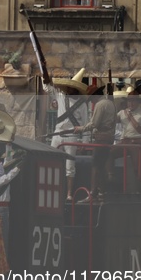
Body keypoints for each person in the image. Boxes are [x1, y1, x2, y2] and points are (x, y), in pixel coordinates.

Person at [42, 68, 89, 202]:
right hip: (57, 134)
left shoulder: (82, 105)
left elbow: (85, 125)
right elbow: (47, 88)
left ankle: (68, 193)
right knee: (51, 163)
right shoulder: (61, 96)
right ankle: (50, 190)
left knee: (70, 167)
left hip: (72, 137)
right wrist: (45, 73)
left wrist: (84, 143)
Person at [108, 91, 141, 193]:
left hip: (137, 144)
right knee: (108, 153)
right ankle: (110, 178)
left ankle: (139, 190)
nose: (131, 103)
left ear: (138, 102)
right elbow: (111, 121)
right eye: (129, 101)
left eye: (133, 101)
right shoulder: (122, 113)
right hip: (124, 142)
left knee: (137, 168)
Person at [74, 85, 116, 202]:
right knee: (101, 166)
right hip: (108, 138)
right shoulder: (111, 103)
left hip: (101, 138)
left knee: (95, 165)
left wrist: (80, 129)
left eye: (92, 98)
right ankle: (101, 192)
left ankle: (93, 193)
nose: (91, 101)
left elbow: (94, 124)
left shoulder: (100, 104)